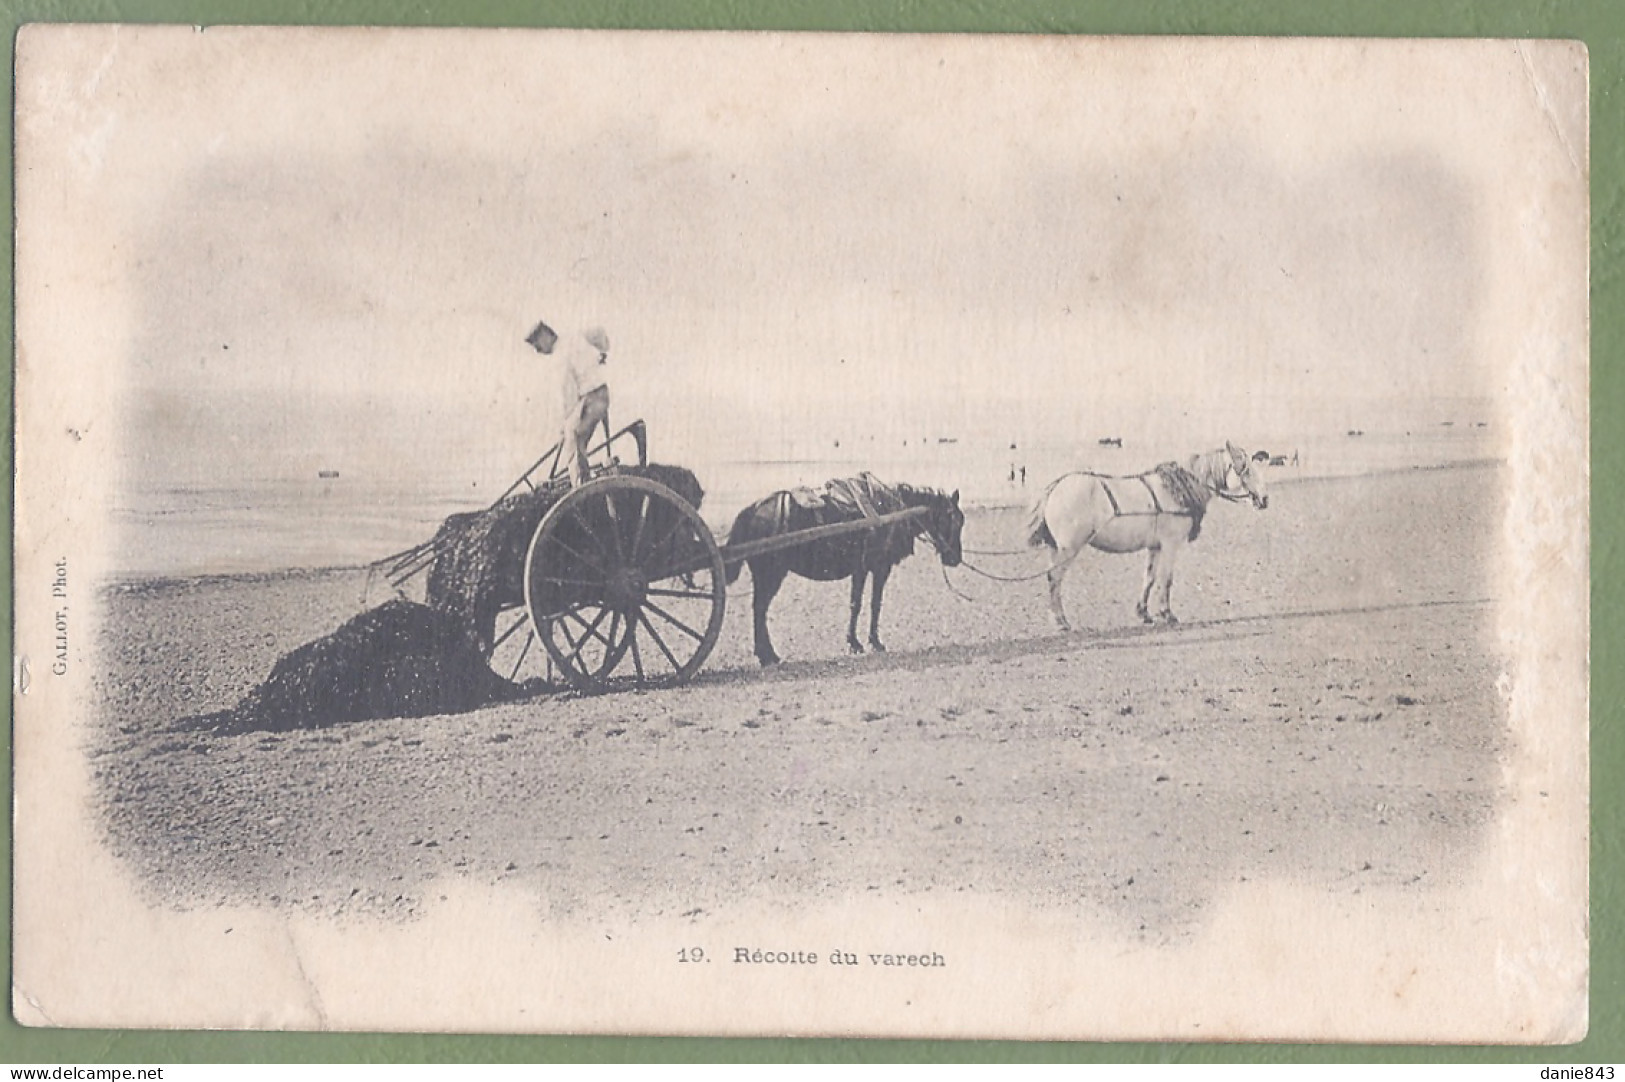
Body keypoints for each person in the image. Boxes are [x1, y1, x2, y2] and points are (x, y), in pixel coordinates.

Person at [527, 319, 611, 487]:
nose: (537, 351)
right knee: (572, 433)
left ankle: (580, 487)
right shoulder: (573, 337)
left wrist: (566, 423)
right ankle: (583, 479)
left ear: (545, 336)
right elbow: (599, 332)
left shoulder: (560, 356)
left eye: (537, 345)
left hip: (592, 398)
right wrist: (601, 354)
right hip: (599, 393)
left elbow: (568, 394)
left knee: (573, 438)